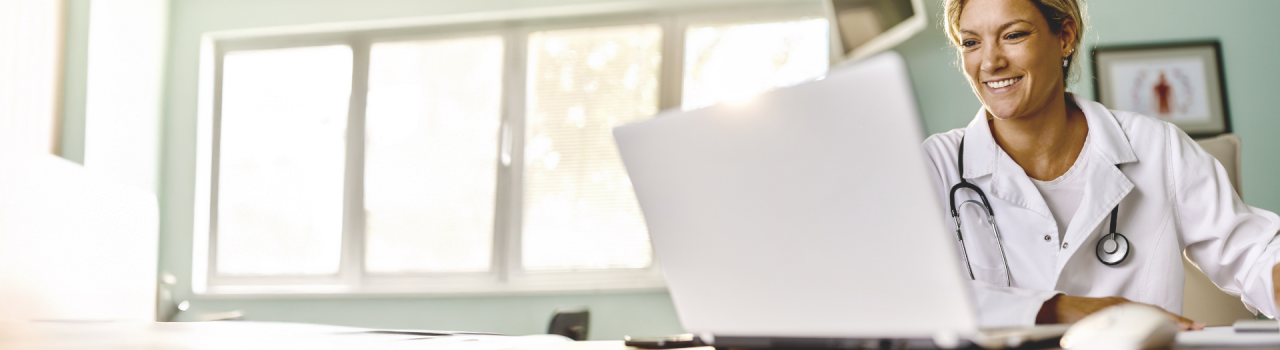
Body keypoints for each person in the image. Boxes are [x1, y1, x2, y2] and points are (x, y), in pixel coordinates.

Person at [922, 0, 1280, 330]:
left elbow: (1255, 255)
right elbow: (895, 290)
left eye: (1013, 35)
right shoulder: (933, 167)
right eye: (970, 43)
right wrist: (1062, 309)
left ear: (1065, 37)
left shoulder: (1157, 147)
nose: (990, 62)